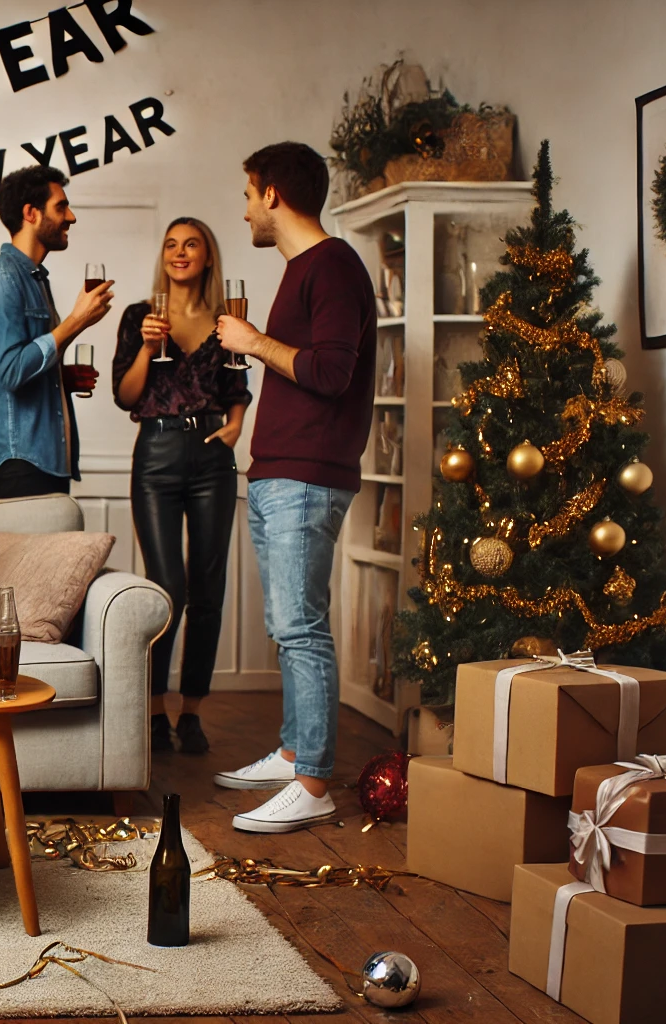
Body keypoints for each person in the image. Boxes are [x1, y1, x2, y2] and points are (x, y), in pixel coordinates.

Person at [214, 142, 376, 833]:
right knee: (290, 625)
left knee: (301, 627)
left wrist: (253, 344)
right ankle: (292, 751)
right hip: (282, 472)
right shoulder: (304, 270)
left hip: (307, 475)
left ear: (274, 193)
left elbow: (333, 371)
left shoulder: (333, 265)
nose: (245, 207)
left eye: (249, 193)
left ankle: (313, 781)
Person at [112, 217, 251, 757]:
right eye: (171, 244)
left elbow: (237, 382)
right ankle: (151, 711)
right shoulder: (139, 317)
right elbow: (126, 397)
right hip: (157, 455)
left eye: (191, 244)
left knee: (208, 586)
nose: (179, 252)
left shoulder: (225, 322)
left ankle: (191, 712)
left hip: (212, 455)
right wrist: (147, 347)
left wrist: (236, 425)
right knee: (166, 586)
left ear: (208, 256)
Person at [0, 164, 112, 499]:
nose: (71, 217)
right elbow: (13, 372)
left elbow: (28, 361)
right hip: (19, 464)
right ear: (31, 213)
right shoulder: (1, 281)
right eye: (61, 207)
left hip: (43, 462)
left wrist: (60, 379)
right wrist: (76, 321)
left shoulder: (34, 279)